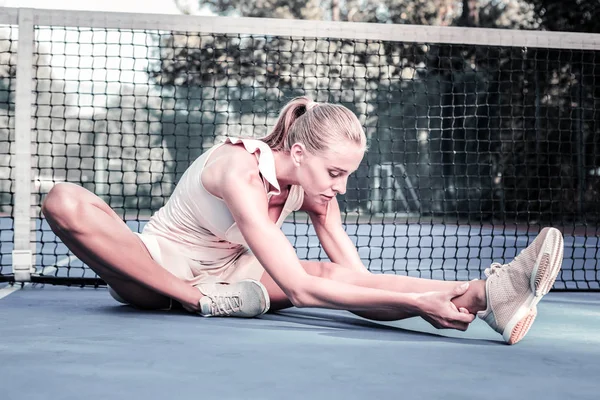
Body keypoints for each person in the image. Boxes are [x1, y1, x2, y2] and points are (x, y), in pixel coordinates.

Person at [41, 96, 564, 345]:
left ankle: (490, 294)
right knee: (63, 199)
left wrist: (420, 302)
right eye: (335, 172)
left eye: (347, 176)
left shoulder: (314, 190)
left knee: (330, 275)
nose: (341, 187)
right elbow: (299, 288)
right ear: (296, 150)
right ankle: (194, 300)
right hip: (157, 269)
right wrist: (411, 301)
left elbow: (352, 281)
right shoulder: (238, 171)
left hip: (238, 279)